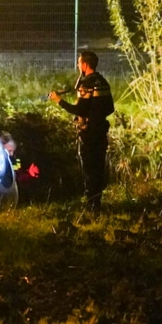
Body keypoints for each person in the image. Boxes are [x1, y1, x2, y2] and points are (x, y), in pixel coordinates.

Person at [48, 50, 115, 213]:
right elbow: (110, 108)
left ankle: (91, 205)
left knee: (89, 169)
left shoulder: (87, 84)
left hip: (88, 133)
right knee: (98, 167)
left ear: (85, 64)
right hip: (100, 132)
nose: (78, 65)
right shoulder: (102, 81)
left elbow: (79, 109)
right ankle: (97, 202)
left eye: (79, 63)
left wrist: (59, 101)